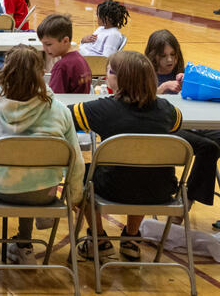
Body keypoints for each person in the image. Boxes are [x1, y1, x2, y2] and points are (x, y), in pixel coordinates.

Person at [69, 51, 184, 261]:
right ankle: (131, 239)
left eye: (109, 71)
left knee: (81, 174)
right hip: (160, 190)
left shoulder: (101, 109)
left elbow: (65, 117)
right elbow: (177, 125)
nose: (106, 75)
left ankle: (98, 239)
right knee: (143, 167)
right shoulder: (168, 110)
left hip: (113, 189)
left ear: (120, 78)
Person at [0, 45, 84, 265]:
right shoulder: (60, 110)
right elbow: (76, 162)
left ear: (5, 73)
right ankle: (24, 244)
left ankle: (21, 245)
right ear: (42, 74)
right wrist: (74, 197)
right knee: (33, 174)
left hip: (2, 187)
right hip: (44, 192)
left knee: (20, 168)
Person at [39, 14, 91, 94]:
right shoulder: (81, 59)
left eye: (48, 44)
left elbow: (54, 97)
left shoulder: (62, 66)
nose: (44, 48)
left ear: (65, 41)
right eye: (43, 44)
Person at [146, 29, 185, 94]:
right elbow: (144, 97)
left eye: (173, 54)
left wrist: (189, 80)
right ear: (153, 56)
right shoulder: (146, 75)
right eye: (163, 56)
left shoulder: (183, 73)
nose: (169, 59)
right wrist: (164, 87)